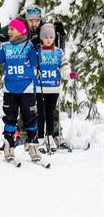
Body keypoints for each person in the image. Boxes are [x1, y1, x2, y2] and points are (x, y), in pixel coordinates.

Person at [0, 18, 41, 163]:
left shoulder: (28, 46)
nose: (9, 31)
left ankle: (33, 145)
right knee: (10, 117)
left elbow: (36, 63)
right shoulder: (5, 46)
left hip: (27, 87)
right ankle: (9, 144)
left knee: (30, 116)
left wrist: (36, 48)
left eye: (12, 29)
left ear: (21, 30)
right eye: (8, 29)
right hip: (10, 87)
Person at [35, 23, 71, 151]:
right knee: (41, 114)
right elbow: (32, 65)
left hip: (54, 87)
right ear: (41, 37)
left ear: (54, 38)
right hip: (40, 87)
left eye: (51, 37)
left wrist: (68, 74)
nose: (48, 39)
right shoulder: (37, 51)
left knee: (50, 113)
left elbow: (64, 66)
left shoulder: (59, 52)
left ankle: (49, 136)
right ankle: (39, 138)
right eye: (45, 37)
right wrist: (35, 71)